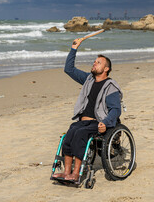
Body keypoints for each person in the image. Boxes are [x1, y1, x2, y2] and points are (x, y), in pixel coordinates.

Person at [52, 36, 123, 182]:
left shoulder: (111, 87)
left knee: (80, 135)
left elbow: (116, 109)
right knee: (69, 135)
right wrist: (74, 48)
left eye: (98, 63)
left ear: (106, 69)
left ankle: (77, 173)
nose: (94, 64)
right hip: (81, 121)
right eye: (94, 62)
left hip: (97, 123)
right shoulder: (88, 79)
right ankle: (67, 172)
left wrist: (106, 123)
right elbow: (69, 69)